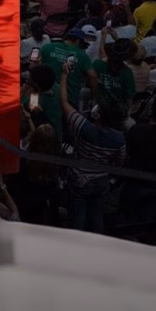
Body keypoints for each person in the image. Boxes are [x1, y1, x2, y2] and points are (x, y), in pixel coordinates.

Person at [59, 64, 126, 234]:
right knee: (96, 217)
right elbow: (120, 161)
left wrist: (64, 75)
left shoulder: (85, 128)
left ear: (98, 116)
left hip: (79, 178)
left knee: (78, 217)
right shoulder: (119, 138)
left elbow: (65, 102)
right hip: (101, 180)